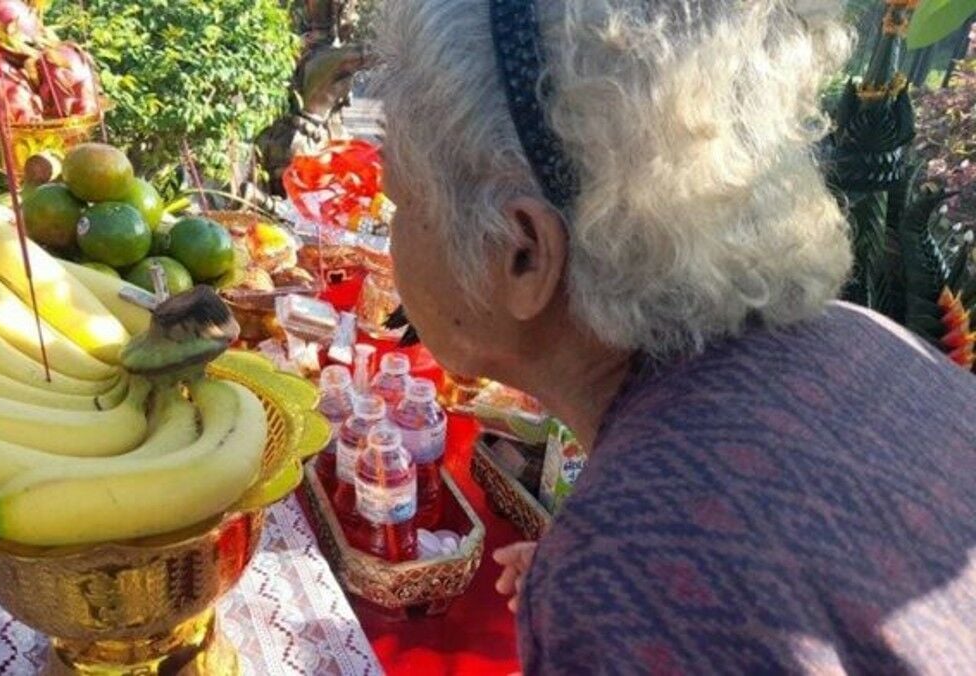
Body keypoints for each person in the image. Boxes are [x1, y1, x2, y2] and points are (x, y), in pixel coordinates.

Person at [373, 0, 976, 673]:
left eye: (399, 199)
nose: (392, 230)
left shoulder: (626, 571)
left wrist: (617, 582)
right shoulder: (867, 337)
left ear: (523, 253)